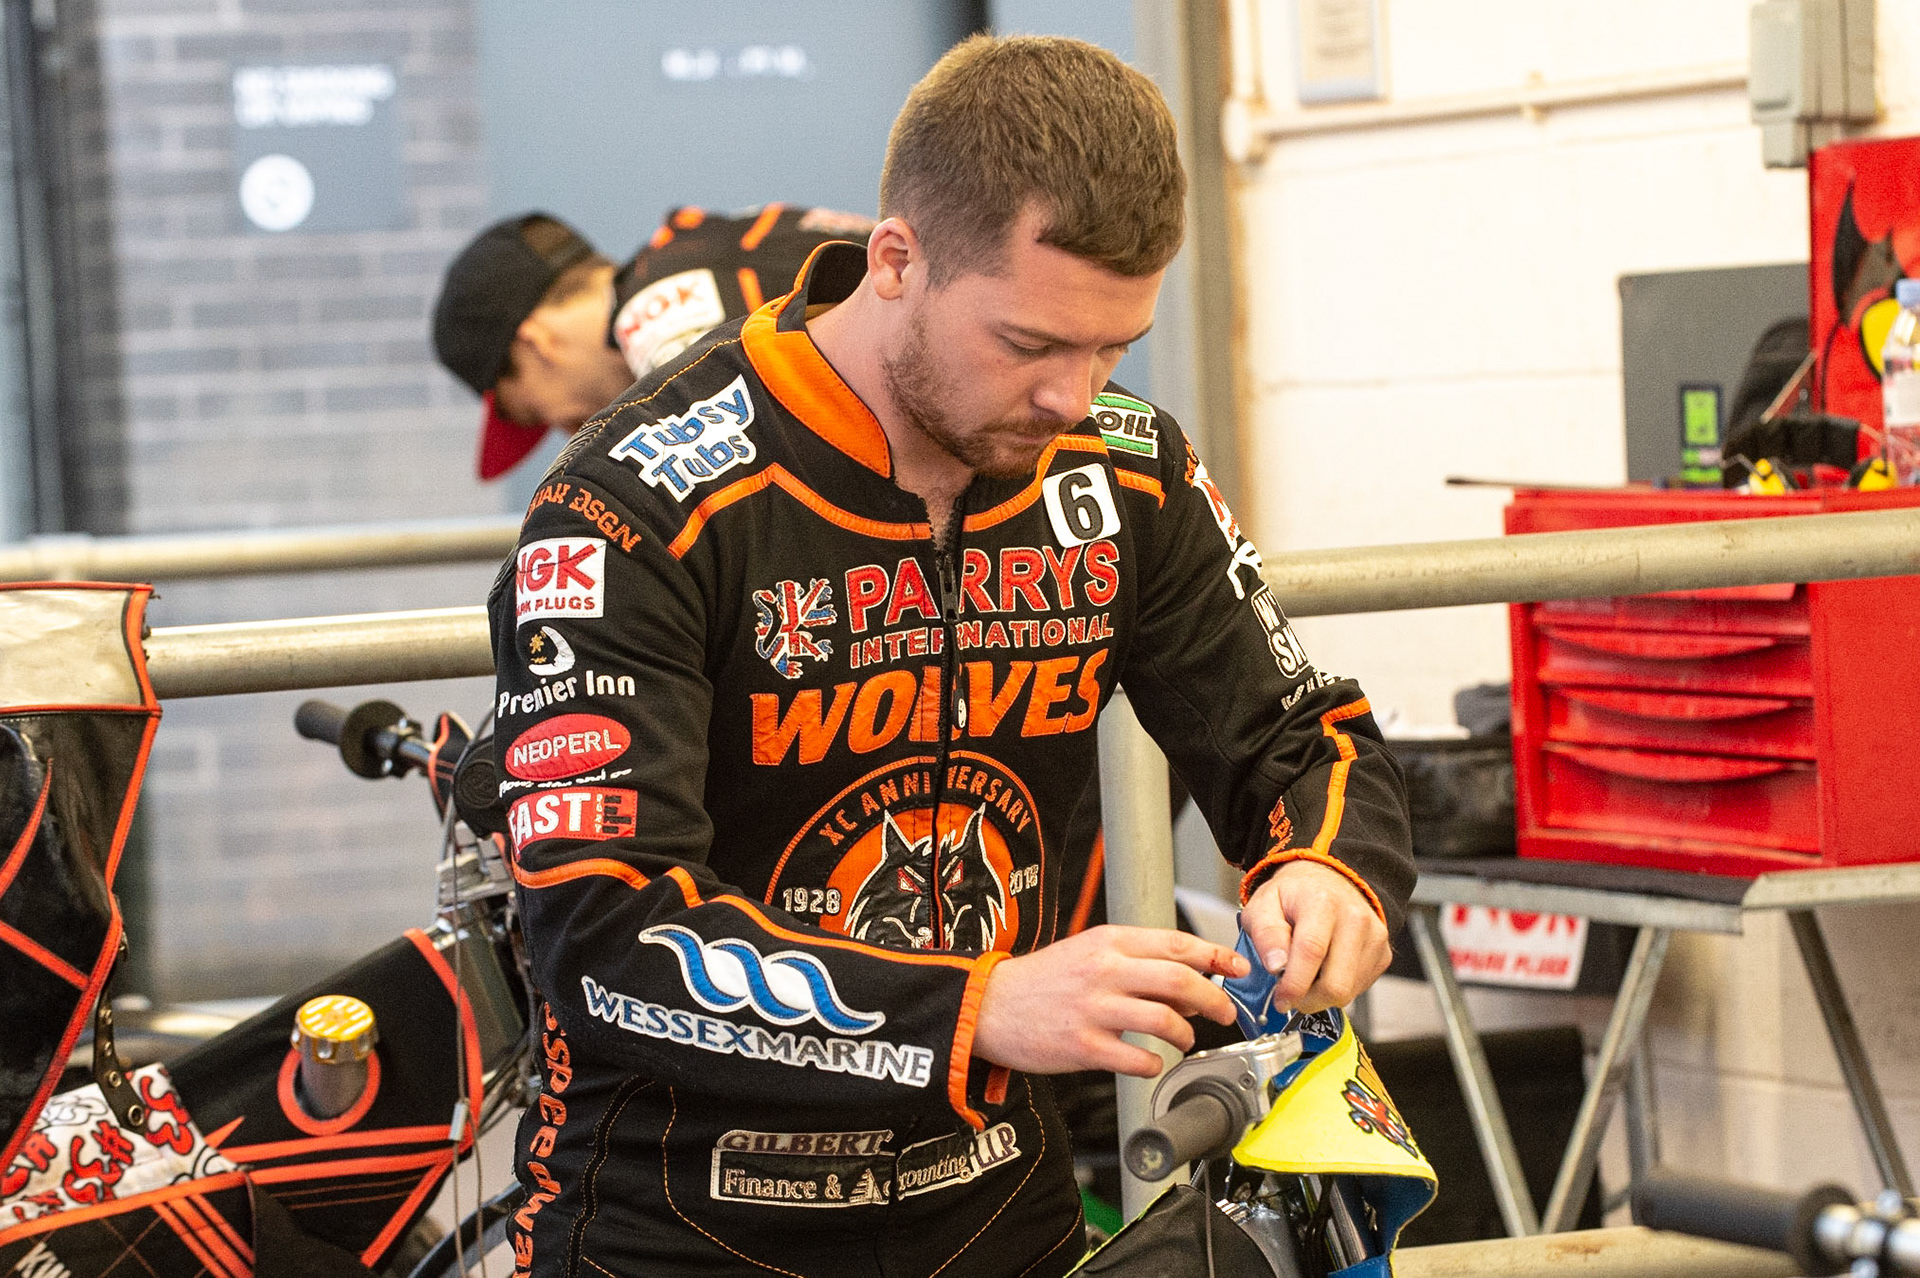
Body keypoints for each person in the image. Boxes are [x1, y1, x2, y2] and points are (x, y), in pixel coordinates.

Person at [487, 34, 1413, 1278]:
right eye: (1030, 344)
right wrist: (977, 1010)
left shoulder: (1124, 470)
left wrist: (1332, 870)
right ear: (895, 261)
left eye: (1113, 349)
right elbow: (603, 923)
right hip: (683, 1230)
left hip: (996, 1220)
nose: (1072, 398)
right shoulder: (636, 507)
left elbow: (1301, 736)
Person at [432, 204, 873, 481]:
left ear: (536, 343)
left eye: (531, 413)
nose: (568, 433)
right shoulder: (704, 242)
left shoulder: (658, 320)